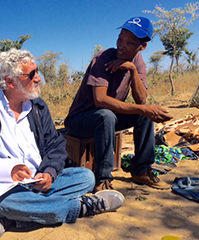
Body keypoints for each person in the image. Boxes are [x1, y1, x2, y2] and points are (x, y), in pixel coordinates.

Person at [0, 48, 124, 240]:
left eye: (37, 71)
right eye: (31, 74)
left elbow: (55, 145)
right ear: (9, 81)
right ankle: (79, 208)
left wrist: (49, 171)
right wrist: (7, 172)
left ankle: (14, 220)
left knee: (85, 177)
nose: (38, 78)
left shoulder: (37, 106)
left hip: (38, 182)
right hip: (2, 189)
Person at [65, 17, 173, 192]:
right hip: (79, 120)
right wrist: (143, 108)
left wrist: (132, 69)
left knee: (143, 115)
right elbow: (100, 100)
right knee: (106, 115)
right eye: (120, 39)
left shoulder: (137, 62)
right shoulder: (104, 58)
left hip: (106, 118)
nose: (121, 45)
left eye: (129, 42)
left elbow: (141, 100)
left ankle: (141, 170)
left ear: (142, 46)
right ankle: (103, 178)